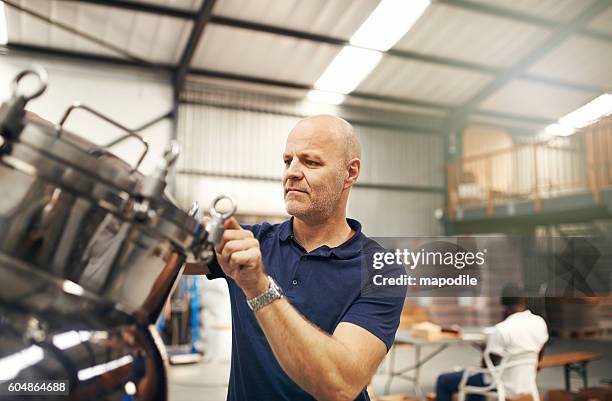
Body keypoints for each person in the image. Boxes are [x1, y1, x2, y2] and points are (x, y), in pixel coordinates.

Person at [185, 115, 406, 401]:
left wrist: (258, 287)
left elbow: (340, 385)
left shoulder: (381, 271)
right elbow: (164, 255)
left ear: (350, 173)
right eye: (288, 161)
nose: (292, 172)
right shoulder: (252, 242)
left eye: (310, 162)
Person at [435, 284, 549, 401]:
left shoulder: (502, 329)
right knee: (474, 381)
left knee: (444, 380)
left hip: (499, 383)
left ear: (503, 307)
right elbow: (539, 353)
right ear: (524, 301)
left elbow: (487, 365)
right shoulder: (539, 322)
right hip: (526, 380)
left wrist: (485, 347)